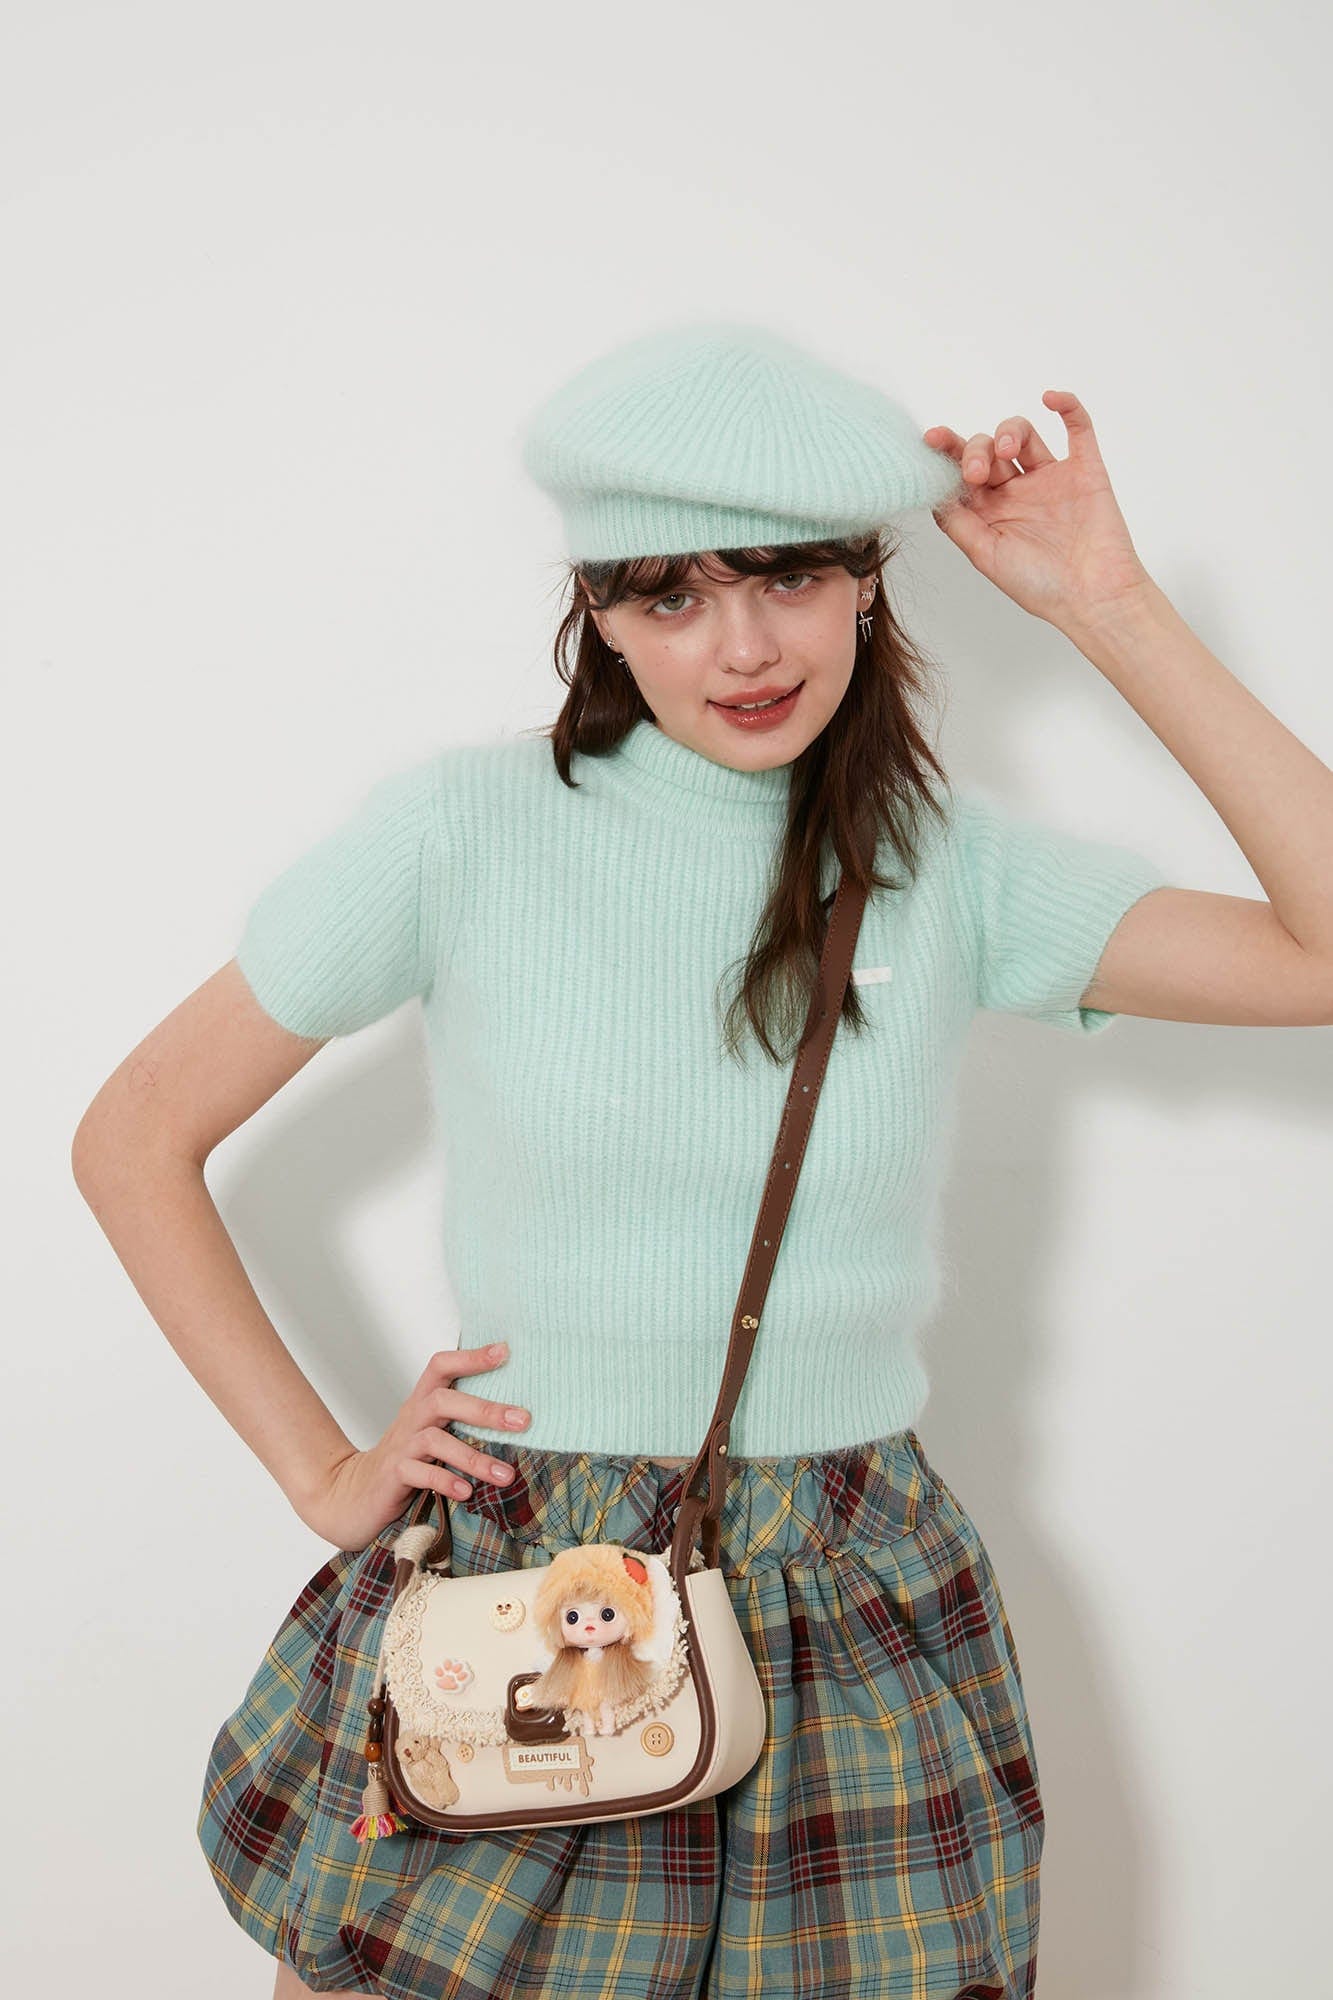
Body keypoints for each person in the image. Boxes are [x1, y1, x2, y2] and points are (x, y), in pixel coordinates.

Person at [72, 320, 1333, 2000]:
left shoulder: (946, 870)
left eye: (788, 577)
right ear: (594, 610)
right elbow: (135, 1136)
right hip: (531, 1592)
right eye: (667, 595)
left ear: (866, 580)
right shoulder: (462, 835)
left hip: (851, 1592)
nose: (740, 646)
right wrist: (321, 1473)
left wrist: (1106, 602)